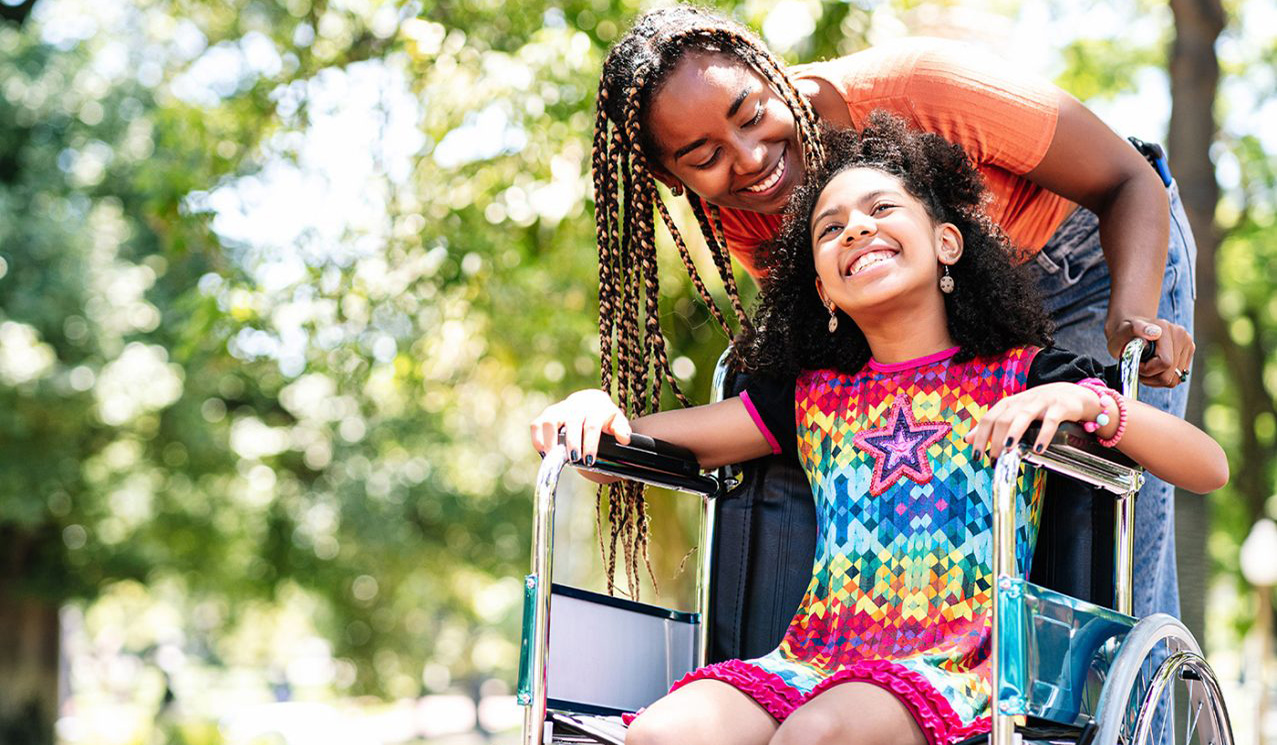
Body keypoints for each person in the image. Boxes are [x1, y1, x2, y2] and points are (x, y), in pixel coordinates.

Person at [537, 116, 1225, 745]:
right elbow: (635, 447)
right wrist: (594, 413)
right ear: (822, 288)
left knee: (816, 735)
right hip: (811, 658)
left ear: (945, 241)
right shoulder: (809, 399)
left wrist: (1091, 405)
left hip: (959, 665)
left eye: (880, 209)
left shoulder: (1027, 376)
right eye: (829, 229)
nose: (856, 230)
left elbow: (1206, 467)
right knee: (661, 733)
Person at [591, 6, 1197, 618]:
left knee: (1110, 546)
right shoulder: (752, 209)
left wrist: (1130, 323)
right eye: (703, 157)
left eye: (750, 116)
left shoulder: (917, 85)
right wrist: (607, 426)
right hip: (950, 310)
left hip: (1094, 260)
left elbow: (1128, 179)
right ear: (670, 177)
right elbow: (844, 346)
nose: (748, 158)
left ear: (771, 74)